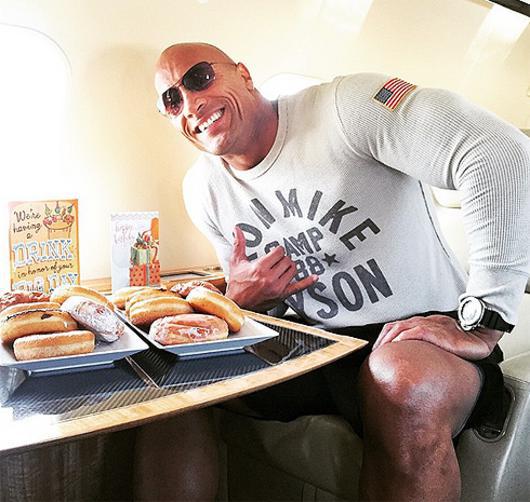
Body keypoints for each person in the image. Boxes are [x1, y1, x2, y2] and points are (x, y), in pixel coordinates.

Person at [134, 42, 530, 501]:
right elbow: (253, 305)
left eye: (200, 78)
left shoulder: (345, 109)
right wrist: (241, 300)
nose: (190, 103)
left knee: (398, 377)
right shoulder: (203, 188)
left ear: (243, 73)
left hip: (416, 331)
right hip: (313, 341)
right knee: (170, 379)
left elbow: (500, 152)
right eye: (172, 100)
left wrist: (485, 318)